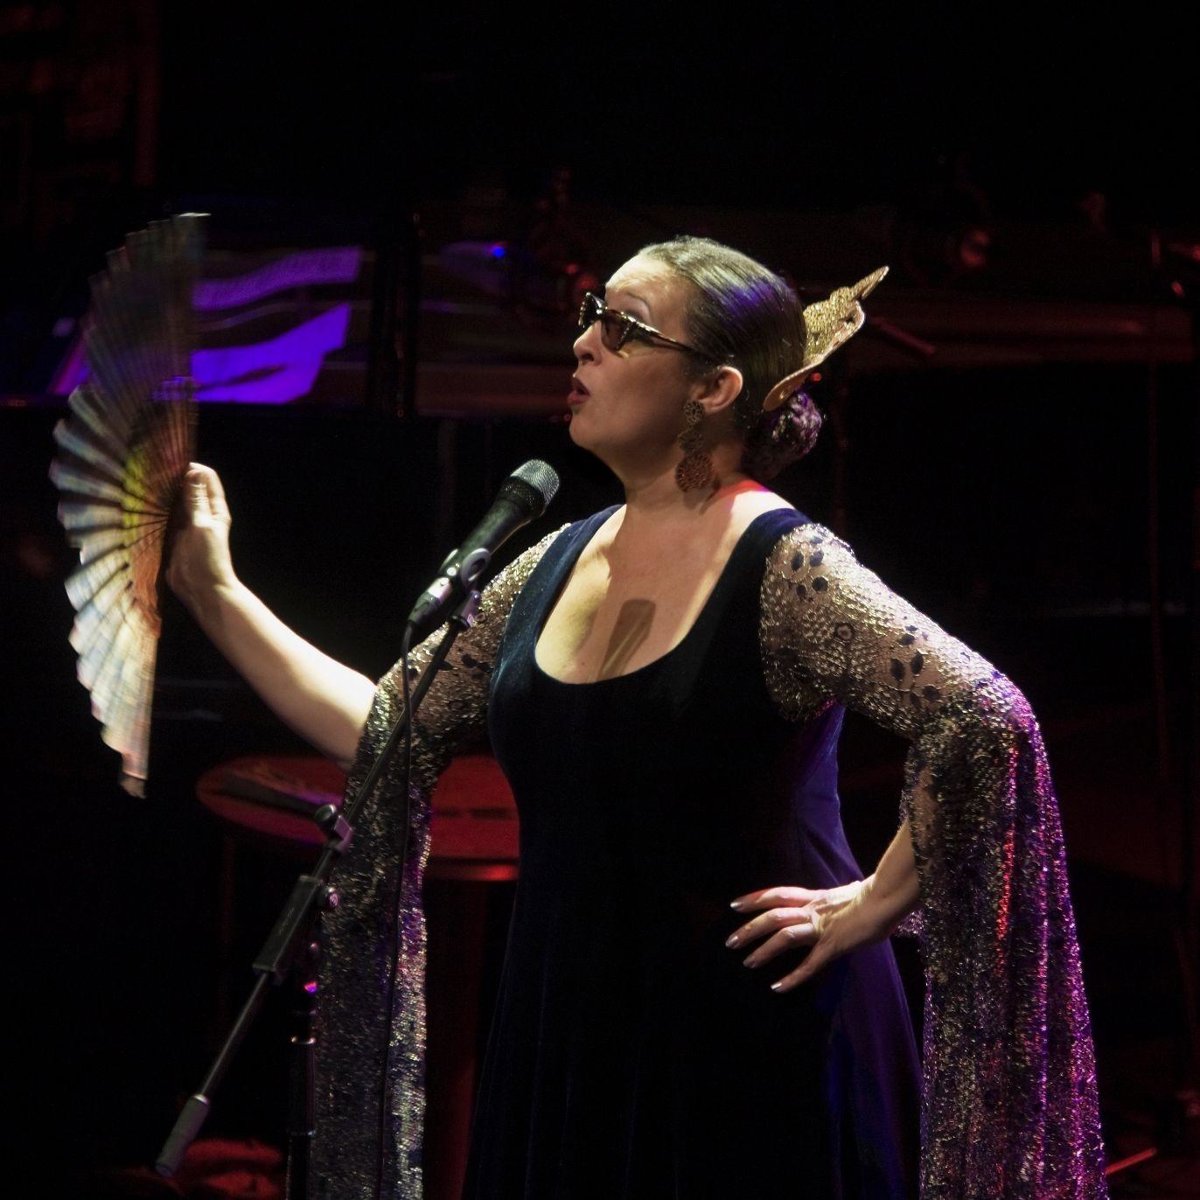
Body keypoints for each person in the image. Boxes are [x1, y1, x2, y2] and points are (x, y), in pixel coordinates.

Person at [167, 235, 1109, 1198]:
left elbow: (985, 720)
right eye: (590, 317)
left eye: (623, 328)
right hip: (573, 1028)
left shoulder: (790, 568)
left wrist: (875, 900)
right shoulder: (553, 561)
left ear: (714, 388)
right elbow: (389, 728)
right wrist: (214, 591)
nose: (584, 343)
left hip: (750, 1038)